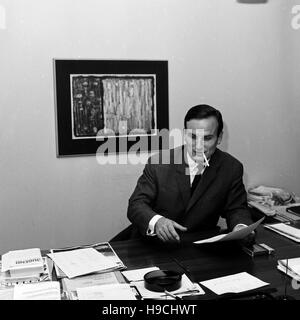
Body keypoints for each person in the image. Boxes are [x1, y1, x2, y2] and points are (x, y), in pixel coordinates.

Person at [127, 104, 255, 244]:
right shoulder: (158, 163)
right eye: (193, 137)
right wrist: (157, 222)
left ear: (219, 138)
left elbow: (237, 209)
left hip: (200, 247)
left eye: (207, 138)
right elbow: (136, 205)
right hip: (154, 245)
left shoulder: (231, 168)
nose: (198, 145)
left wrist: (241, 227)